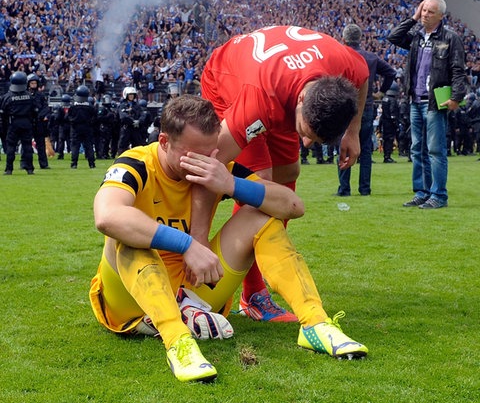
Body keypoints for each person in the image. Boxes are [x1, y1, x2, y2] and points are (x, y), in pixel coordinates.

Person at [89, 95, 368, 383]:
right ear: (163, 142)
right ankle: (177, 340)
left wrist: (230, 183)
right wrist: (186, 244)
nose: (205, 162)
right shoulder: (137, 163)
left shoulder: (215, 167)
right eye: (193, 154)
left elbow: (293, 206)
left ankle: (315, 323)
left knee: (261, 216)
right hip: (130, 299)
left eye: (210, 153)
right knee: (126, 234)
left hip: (193, 289)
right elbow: (107, 216)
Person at [197, 25, 369, 322]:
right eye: (305, 132)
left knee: (289, 170)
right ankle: (252, 295)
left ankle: (257, 285)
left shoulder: (343, 65)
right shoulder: (258, 100)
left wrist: (352, 132)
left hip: (279, 85)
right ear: (302, 100)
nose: (306, 142)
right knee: (260, 187)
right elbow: (207, 166)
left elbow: (363, 74)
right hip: (228, 82)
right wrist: (195, 243)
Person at [387, 0, 467, 209]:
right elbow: (393, 37)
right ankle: (422, 192)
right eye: (423, 10)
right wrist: (413, 18)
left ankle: (438, 195)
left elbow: (459, 70)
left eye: (430, 12)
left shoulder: (450, 38)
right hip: (414, 99)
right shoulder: (416, 37)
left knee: (435, 150)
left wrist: (456, 97)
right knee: (417, 149)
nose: (425, 14)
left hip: (434, 102)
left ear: (441, 16)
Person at [335, 24, 396, 196]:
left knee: (344, 146)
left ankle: (344, 189)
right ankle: (365, 188)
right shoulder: (371, 58)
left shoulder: (339, 56)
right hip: (366, 106)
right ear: (360, 39)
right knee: (366, 149)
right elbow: (391, 73)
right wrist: (381, 92)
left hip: (344, 107)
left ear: (344, 39)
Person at [1, 71, 37, 175]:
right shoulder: (30, 96)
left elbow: (3, 113)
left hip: (13, 123)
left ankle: (9, 169)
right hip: (26, 123)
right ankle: (30, 169)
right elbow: (35, 111)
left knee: (11, 146)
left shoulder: (7, 97)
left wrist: (5, 126)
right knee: (27, 147)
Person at [68, 85, 96, 169]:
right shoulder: (90, 105)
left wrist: (73, 122)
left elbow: (69, 116)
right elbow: (94, 116)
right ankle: (91, 164)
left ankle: (74, 164)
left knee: (75, 146)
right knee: (89, 146)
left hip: (76, 127)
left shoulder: (73, 105)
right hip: (87, 127)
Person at [379, 82, 401, 163]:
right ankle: (387, 156)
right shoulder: (393, 100)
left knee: (386, 139)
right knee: (390, 139)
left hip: (385, 121)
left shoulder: (384, 99)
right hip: (390, 123)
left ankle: (386, 155)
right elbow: (393, 113)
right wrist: (396, 124)